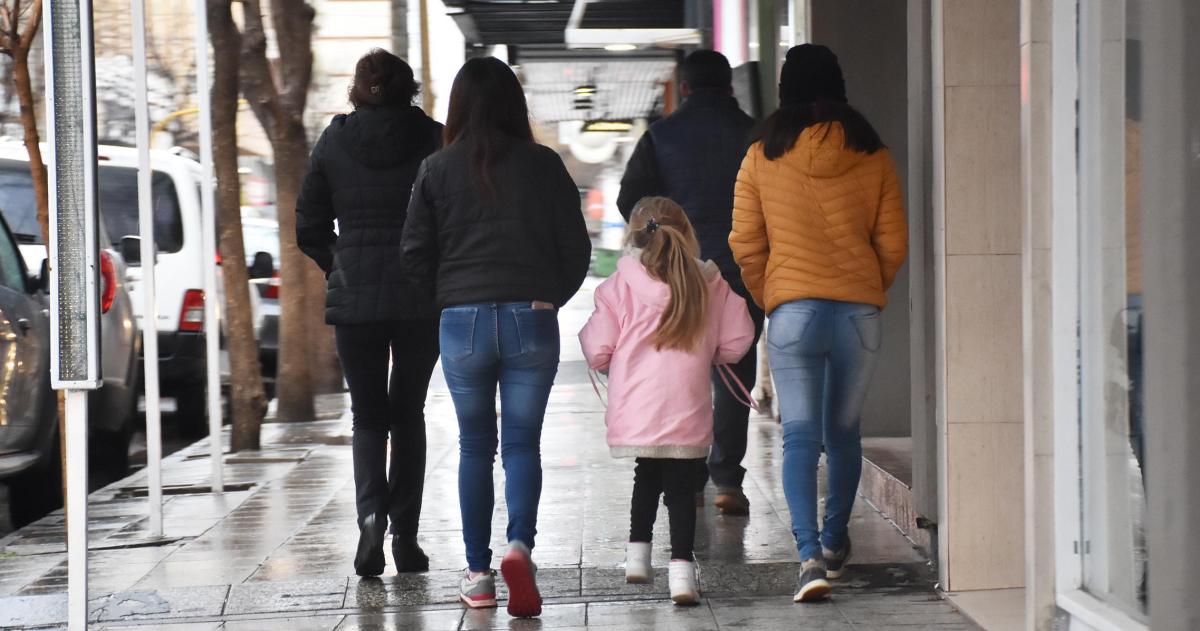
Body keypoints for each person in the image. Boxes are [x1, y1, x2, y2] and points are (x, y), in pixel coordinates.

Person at [400, 57, 592, 618]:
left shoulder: (435, 169)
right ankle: (520, 548)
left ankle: (479, 575)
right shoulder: (544, 164)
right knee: (523, 445)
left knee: (475, 446)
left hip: (462, 322)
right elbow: (575, 248)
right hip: (530, 317)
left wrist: (450, 294)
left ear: (458, 106)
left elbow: (414, 253)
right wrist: (547, 294)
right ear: (515, 103)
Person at [729, 44, 908, 603]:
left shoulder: (761, 154)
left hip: (794, 312)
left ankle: (808, 557)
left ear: (785, 90)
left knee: (799, 437)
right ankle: (835, 540)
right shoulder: (871, 152)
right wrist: (865, 288)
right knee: (844, 434)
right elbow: (894, 242)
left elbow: (745, 242)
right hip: (857, 313)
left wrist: (773, 298)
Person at [296, 49, 443, 578]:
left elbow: (308, 225)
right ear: (410, 89)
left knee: (367, 416)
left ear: (357, 89)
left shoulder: (334, 141)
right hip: (420, 298)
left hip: (355, 298)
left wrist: (341, 263)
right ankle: (405, 535)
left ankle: (369, 521)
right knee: (409, 414)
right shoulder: (434, 138)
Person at [580, 197, 754, 605]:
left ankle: (637, 557)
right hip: (687, 404)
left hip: (637, 406)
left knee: (646, 476)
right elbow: (737, 341)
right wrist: (711, 350)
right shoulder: (709, 282)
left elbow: (597, 347)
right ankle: (681, 577)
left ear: (634, 235)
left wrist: (612, 360)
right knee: (682, 487)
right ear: (687, 231)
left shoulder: (618, 285)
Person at [616, 50, 763, 515]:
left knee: (683, 371)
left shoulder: (660, 136)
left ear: (684, 89)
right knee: (736, 372)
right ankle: (727, 480)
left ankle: (690, 475)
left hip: (684, 274)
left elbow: (631, 200)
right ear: (730, 87)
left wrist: (661, 245)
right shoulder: (755, 134)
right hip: (742, 271)